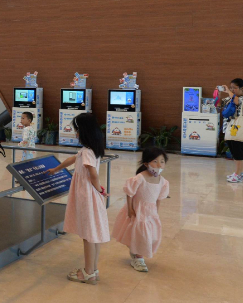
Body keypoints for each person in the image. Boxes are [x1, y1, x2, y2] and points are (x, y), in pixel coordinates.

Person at [46, 113, 108, 284]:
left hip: (86, 195)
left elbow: (93, 174)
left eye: (77, 130)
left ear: (84, 132)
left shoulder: (87, 152)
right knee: (92, 233)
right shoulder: (89, 150)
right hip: (89, 194)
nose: (76, 133)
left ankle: (88, 273)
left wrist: (99, 190)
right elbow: (72, 159)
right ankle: (93, 269)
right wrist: (56, 169)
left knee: (88, 235)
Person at [112, 147, 170, 272]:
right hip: (138, 210)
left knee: (151, 236)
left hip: (151, 212)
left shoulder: (163, 182)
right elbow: (130, 193)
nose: (159, 164)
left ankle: (136, 251)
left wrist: (156, 212)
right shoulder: (140, 178)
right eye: (155, 161)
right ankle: (139, 258)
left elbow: (159, 198)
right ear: (146, 163)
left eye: (162, 161)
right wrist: (130, 209)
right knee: (142, 235)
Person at [220, 78, 243, 183]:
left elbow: (237, 102)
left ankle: (238, 174)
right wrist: (218, 95)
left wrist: (229, 92)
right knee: (234, 152)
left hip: (239, 130)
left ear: (242, 88)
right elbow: (223, 109)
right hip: (230, 129)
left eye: (234, 88)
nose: (232, 90)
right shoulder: (229, 98)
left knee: (239, 153)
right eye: (231, 88)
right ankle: (239, 173)